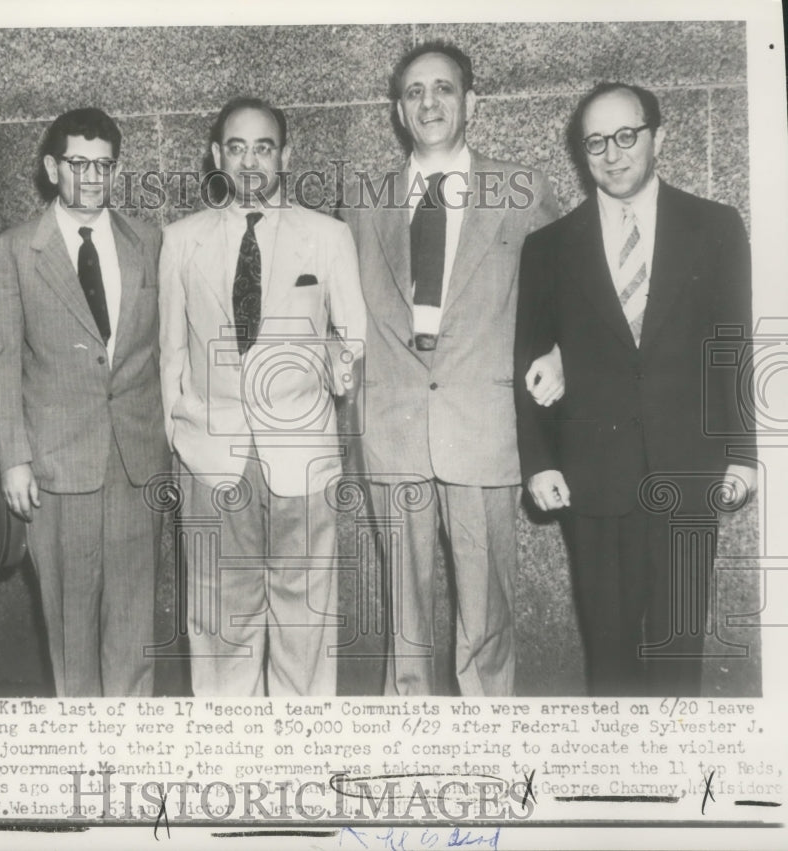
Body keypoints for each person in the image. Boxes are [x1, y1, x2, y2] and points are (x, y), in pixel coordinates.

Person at [514, 82, 756, 696]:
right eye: (596, 141)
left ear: (658, 137)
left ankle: (677, 783)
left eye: (627, 136)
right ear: (581, 152)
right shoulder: (549, 247)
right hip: (593, 481)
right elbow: (529, 358)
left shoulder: (715, 226)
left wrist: (742, 452)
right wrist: (538, 463)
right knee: (610, 655)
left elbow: (731, 347)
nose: (613, 153)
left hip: (687, 469)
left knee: (680, 649)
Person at [339, 41, 561, 696]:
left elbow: (563, 290)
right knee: (403, 612)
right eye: (414, 92)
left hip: (483, 425)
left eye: (443, 88)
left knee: (486, 611)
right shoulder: (363, 202)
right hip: (394, 427)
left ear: (472, 102)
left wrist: (560, 352)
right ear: (398, 112)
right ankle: (411, 741)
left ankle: (488, 737)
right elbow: (336, 304)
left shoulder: (521, 189)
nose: (429, 102)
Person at [158, 97, 366, 696]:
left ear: (285, 156)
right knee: (221, 620)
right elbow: (171, 350)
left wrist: (334, 357)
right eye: (238, 147)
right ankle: (231, 757)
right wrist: (180, 435)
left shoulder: (328, 236)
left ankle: (301, 758)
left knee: (305, 621)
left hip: (303, 453)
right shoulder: (181, 240)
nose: (251, 161)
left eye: (265, 147)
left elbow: (353, 333)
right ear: (217, 155)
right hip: (210, 456)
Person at [0, 107, 169, 697]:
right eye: (78, 163)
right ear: (51, 167)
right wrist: (13, 459)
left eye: (104, 165)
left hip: (136, 462)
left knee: (134, 621)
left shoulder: (148, 241)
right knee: (71, 627)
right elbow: (2, 357)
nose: (92, 177)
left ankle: (132, 750)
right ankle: (84, 758)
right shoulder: (15, 251)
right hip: (58, 466)